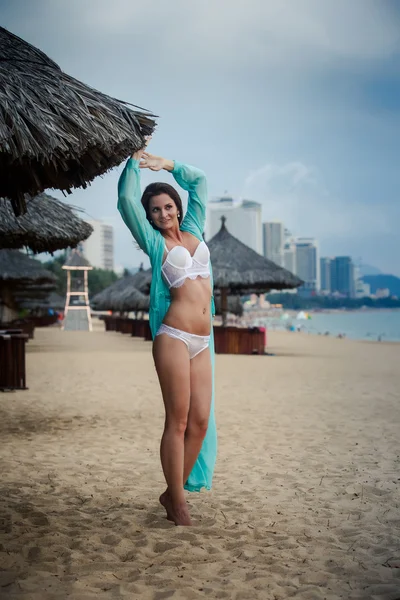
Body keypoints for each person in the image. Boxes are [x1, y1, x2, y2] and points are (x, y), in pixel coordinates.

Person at [117, 146, 217, 526]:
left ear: (178, 206)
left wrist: (165, 164)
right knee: (177, 421)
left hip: (203, 341)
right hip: (173, 336)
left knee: (200, 421)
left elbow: (201, 182)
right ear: (149, 217)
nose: (163, 214)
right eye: (155, 210)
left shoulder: (194, 229)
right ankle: (177, 502)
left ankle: (170, 491)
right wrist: (133, 162)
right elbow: (126, 199)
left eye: (168, 206)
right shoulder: (156, 243)